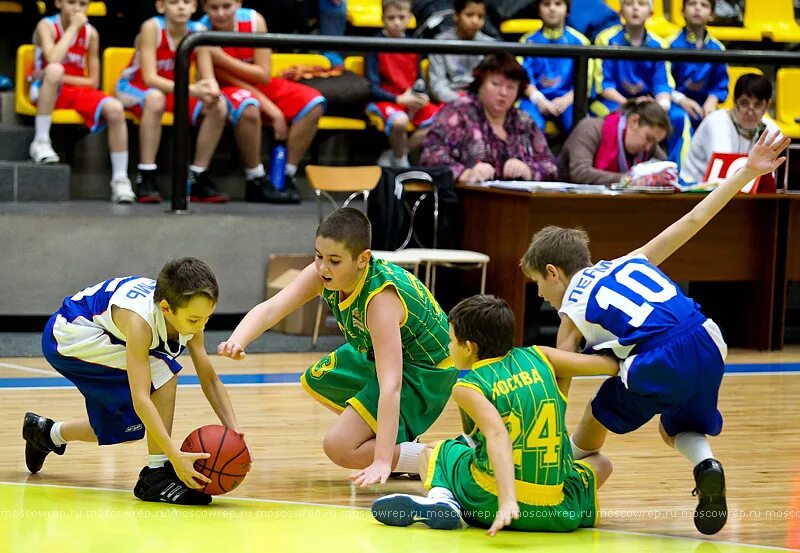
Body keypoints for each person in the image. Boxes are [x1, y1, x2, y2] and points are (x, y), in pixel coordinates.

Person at [520, 130, 790, 535]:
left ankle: (558, 475)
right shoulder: (631, 260)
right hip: (709, 338)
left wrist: (603, 371)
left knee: (594, 422)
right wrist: (745, 171)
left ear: (554, 273)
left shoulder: (571, 308)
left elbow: (564, 373)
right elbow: (695, 219)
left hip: (658, 355)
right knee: (675, 427)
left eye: (538, 284)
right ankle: (706, 465)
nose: (541, 295)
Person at [218, 208, 459, 484]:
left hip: (426, 373)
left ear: (362, 259)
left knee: (339, 447)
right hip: (384, 355)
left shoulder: (379, 301)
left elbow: (391, 384)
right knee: (319, 377)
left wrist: (382, 461)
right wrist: (238, 339)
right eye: (319, 256)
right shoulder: (323, 274)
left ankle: (438, 457)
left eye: (334, 260)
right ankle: (402, 440)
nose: (323, 267)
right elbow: (273, 308)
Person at [371, 295, 616, 534]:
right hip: (556, 512)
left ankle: (443, 500)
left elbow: (498, 434)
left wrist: (508, 500)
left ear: (468, 347)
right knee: (601, 463)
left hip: (492, 503)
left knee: (435, 453)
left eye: (451, 341)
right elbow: (608, 366)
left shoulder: (469, 387)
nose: (448, 347)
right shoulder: (542, 356)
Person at [23, 257, 241, 505]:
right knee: (163, 370)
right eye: (194, 320)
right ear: (167, 309)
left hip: (102, 336)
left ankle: (46, 433)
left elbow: (209, 378)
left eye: (207, 318)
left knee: (129, 430)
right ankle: (156, 476)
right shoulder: (140, 323)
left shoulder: (189, 310)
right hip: (70, 337)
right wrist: (173, 455)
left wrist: (235, 434)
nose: (200, 326)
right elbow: (141, 396)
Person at [199, 0, 326, 204]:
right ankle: (255, 178)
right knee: (248, 106)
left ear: (238, 4)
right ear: (204, 7)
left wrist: (219, 56)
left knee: (313, 102)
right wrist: (272, 110)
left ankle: (286, 175)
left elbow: (264, 75)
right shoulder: (201, 29)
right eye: (214, 8)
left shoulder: (254, 21)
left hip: (260, 85)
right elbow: (224, 78)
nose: (221, 13)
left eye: (227, 6)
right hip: (226, 87)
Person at [116, 0, 229, 204]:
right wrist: (193, 90)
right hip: (136, 87)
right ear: (161, 7)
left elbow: (207, 75)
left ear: (194, 7)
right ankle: (146, 174)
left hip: (175, 90)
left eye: (186, 2)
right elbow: (150, 78)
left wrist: (213, 91)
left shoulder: (199, 30)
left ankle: (197, 175)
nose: (181, 7)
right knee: (155, 99)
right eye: (174, 2)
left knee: (219, 106)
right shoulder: (152, 27)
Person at [29, 0, 134, 204]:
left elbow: (93, 81)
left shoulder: (91, 34)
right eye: (71, 3)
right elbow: (53, 59)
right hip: (45, 89)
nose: (77, 9)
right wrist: (73, 29)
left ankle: (120, 180)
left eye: (83, 4)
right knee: (55, 70)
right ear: (59, 3)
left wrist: (62, 78)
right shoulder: (47, 25)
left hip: (75, 89)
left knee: (116, 109)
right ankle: (40, 141)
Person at [421, 53, 558, 183]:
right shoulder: (457, 112)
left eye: (511, 87)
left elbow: (552, 166)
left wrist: (529, 170)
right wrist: (465, 173)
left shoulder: (523, 121)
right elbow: (431, 157)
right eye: (495, 84)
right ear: (480, 85)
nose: (503, 93)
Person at [366, 0, 441, 169]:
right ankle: (401, 165)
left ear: (410, 18)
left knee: (442, 119)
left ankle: (398, 152)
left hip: (411, 99)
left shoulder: (413, 44)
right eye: (391, 17)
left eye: (401, 17)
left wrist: (422, 96)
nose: (397, 22)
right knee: (400, 121)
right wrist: (398, 99)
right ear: (382, 18)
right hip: (387, 99)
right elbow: (372, 87)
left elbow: (419, 79)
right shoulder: (373, 45)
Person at [681, 73, 780, 183]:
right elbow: (723, 174)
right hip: (693, 188)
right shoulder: (717, 122)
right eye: (744, 103)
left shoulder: (772, 130)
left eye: (757, 105)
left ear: (767, 105)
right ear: (734, 101)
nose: (750, 112)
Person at [665, 0, 729, 166]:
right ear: (683, 11)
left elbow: (721, 84)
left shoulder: (718, 48)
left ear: (712, 15)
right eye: (692, 3)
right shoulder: (670, 44)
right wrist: (682, 100)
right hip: (677, 104)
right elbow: (664, 82)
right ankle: (683, 175)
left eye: (704, 5)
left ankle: (716, 176)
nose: (697, 8)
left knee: (719, 121)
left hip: (705, 105)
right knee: (680, 119)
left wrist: (711, 101)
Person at [591, 0, 673, 117]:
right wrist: (631, 105)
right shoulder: (605, 39)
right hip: (613, 101)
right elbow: (603, 85)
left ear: (651, 13)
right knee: (617, 120)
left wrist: (661, 107)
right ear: (621, 12)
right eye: (629, 3)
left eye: (641, 4)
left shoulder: (660, 45)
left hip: (647, 104)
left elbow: (662, 84)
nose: (635, 8)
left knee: (676, 117)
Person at [559, 98, 669, 185]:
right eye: (648, 138)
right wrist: (629, 180)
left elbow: (668, 170)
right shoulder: (590, 128)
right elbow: (580, 172)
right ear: (634, 121)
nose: (648, 148)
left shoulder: (648, 146)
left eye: (654, 143)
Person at [519, 0, 590, 134]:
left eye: (558, 4)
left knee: (581, 126)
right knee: (528, 125)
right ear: (538, 9)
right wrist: (539, 100)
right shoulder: (526, 41)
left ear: (567, 9)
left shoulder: (581, 42)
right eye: (546, 4)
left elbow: (587, 81)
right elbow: (523, 78)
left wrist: (567, 100)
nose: (552, 9)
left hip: (569, 101)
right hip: (534, 100)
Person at [426, 0, 495, 104]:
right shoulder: (440, 43)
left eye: (480, 16)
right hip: (449, 101)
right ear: (456, 15)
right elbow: (437, 84)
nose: (475, 21)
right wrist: (460, 101)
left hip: (482, 103)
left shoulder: (492, 45)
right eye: (469, 15)